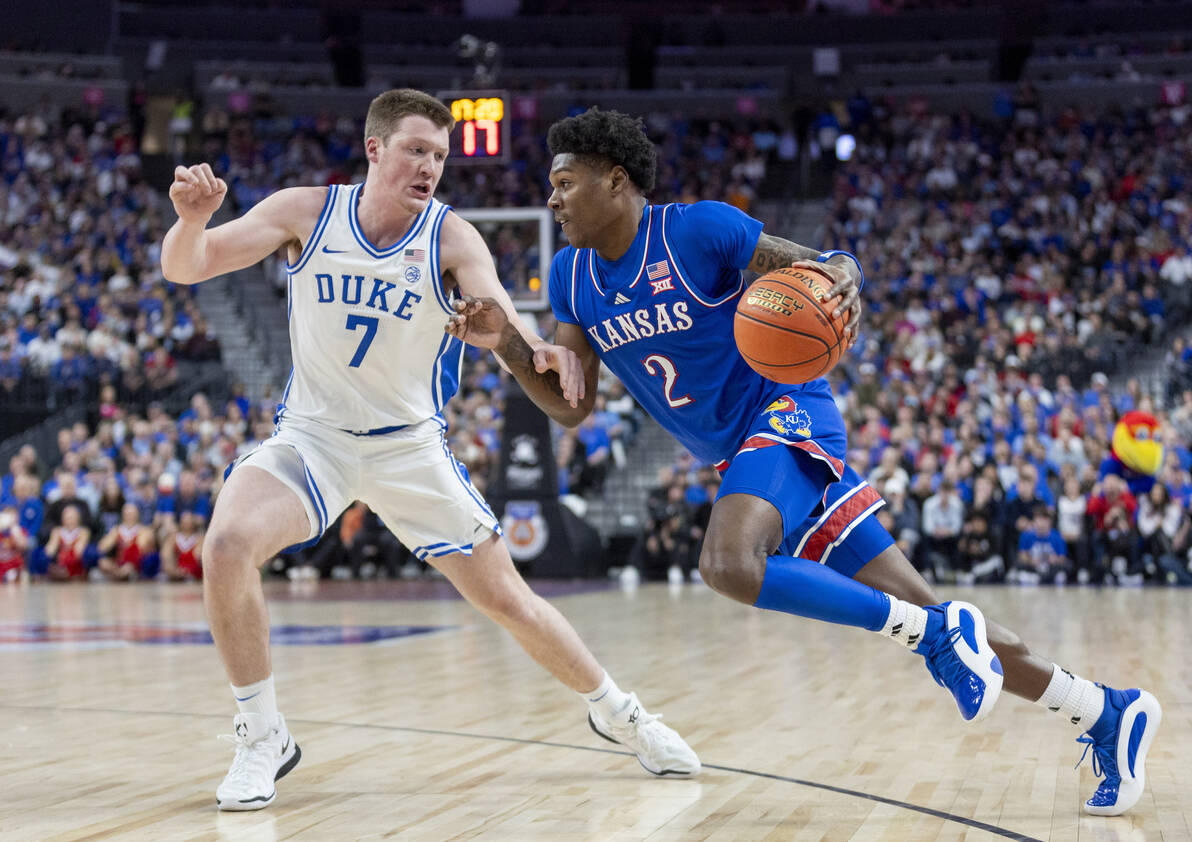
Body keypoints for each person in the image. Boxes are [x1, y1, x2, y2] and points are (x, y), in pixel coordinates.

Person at [444, 108, 1161, 817]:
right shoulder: (571, 275)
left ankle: (937, 637)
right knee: (928, 608)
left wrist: (842, 268)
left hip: (789, 418)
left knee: (728, 565)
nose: (553, 198)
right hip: (746, 460)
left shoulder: (696, 229)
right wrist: (507, 343)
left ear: (616, 179)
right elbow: (573, 407)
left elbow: (816, 266)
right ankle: (1103, 712)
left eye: (566, 182)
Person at [160, 89, 698, 812]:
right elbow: (187, 267)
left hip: (408, 447)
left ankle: (621, 712)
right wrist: (192, 220)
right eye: (416, 150)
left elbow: (503, 320)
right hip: (313, 439)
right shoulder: (305, 212)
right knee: (226, 544)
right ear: (375, 148)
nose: (429, 167)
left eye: (439, 156)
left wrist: (532, 346)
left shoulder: (451, 238)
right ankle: (263, 736)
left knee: (508, 599)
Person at [97, 501, 154, 581]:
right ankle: (119, 574)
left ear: (137, 515)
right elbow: (102, 547)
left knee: (129, 567)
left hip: (135, 564)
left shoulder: (143, 531)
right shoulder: (117, 530)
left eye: (131, 514)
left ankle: (122, 575)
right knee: (103, 562)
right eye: (127, 514)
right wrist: (113, 537)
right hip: (119, 563)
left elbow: (142, 549)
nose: (129, 517)